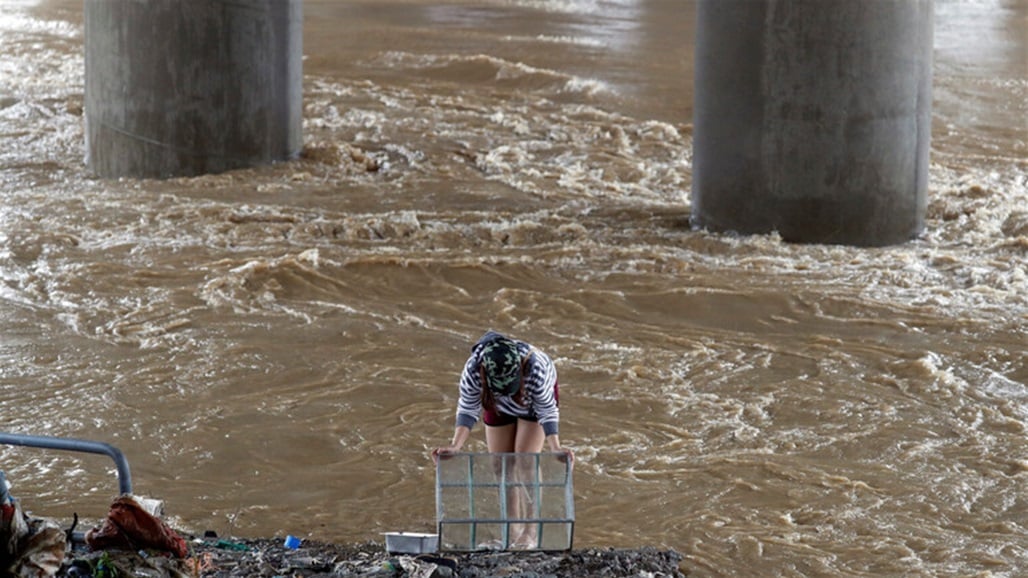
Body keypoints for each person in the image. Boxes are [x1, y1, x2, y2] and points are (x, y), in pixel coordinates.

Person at [431, 330, 574, 549]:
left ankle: (530, 532)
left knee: (526, 459)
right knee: (501, 463)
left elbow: (547, 410)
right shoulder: (473, 370)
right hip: (494, 401)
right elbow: (468, 407)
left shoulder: (535, 367)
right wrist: (455, 446)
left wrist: (555, 447)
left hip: (530, 402)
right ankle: (512, 530)